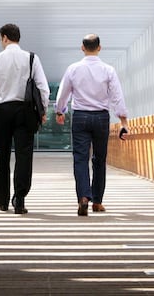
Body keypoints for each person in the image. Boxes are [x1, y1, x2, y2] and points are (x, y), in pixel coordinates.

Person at [55, 34, 129, 216]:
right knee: (99, 159)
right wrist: (123, 120)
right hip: (101, 118)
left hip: (80, 116)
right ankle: (97, 202)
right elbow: (117, 95)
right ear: (99, 48)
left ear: (82, 48)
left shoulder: (73, 68)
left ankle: (83, 197)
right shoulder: (108, 70)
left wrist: (59, 110)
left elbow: (63, 92)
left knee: (80, 158)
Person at [0, 23, 50, 214]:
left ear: (4, 38)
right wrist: (42, 111)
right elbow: (43, 88)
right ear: (18, 37)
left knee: (2, 155)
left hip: (2, 111)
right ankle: (19, 199)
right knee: (24, 156)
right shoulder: (31, 58)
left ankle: (2, 200)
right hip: (25, 111)